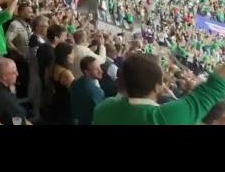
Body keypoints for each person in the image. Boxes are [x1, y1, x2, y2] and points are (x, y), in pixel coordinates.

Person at [93, 53, 225, 125]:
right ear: (157, 87)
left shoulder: (103, 107)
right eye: (162, 80)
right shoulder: (165, 117)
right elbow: (213, 88)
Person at [5, 2, 33, 98]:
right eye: (28, 12)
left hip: (27, 61)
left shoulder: (28, 26)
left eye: (31, 12)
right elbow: (7, 41)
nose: (31, 13)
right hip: (19, 62)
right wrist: (19, 53)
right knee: (21, 87)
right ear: (20, 12)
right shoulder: (15, 25)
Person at [43, 42, 75, 124]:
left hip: (56, 100)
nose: (73, 56)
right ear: (66, 56)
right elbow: (74, 92)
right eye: (72, 54)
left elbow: (47, 82)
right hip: (66, 105)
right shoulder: (66, 73)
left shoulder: (52, 66)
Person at [70, 56, 105, 125]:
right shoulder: (96, 91)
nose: (101, 71)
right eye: (96, 69)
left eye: (100, 67)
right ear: (87, 72)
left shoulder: (74, 83)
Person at [37, 23, 67, 90]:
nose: (65, 38)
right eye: (64, 36)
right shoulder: (51, 52)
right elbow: (48, 72)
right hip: (47, 85)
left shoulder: (43, 46)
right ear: (56, 38)